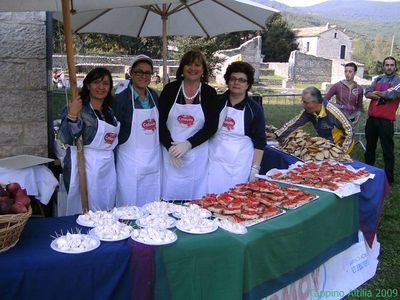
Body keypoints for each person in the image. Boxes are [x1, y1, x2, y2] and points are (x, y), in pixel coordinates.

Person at [159, 50, 219, 200]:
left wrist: (188, 144)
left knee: (194, 198)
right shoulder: (170, 90)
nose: (193, 68)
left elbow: (211, 126)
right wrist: (170, 147)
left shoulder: (209, 93)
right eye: (189, 64)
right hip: (171, 154)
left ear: (203, 69)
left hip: (196, 155)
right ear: (182, 68)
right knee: (169, 195)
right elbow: (159, 122)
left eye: (197, 65)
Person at [59, 67, 120, 214]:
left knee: (105, 205)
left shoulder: (110, 111)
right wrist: (72, 116)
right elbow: (65, 138)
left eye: (105, 83)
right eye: (96, 82)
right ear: (88, 85)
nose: (101, 87)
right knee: (84, 209)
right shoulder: (77, 108)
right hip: (85, 164)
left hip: (106, 167)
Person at [208, 61, 266, 194]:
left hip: (239, 163)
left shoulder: (254, 109)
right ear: (227, 81)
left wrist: (255, 168)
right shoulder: (216, 102)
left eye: (241, 80)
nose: (236, 83)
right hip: (214, 160)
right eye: (233, 79)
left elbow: (260, 141)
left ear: (248, 84)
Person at [113, 55, 161, 207]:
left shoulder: (154, 96)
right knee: (129, 205)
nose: (143, 76)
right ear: (131, 74)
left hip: (152, 161)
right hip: (129, 162)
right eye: (139, 72)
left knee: (151, 206)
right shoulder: (120, 99)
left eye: (147, 73)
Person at [268, 86, 354, 154]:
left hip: (340, 147)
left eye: (305, 102)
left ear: (316, 102)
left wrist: (340, 151)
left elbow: (350, 130)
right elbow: (294, 123)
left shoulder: (333, 111)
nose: (303, 105)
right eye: (302, 101)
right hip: (325, 147)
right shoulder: (309, 111)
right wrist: (276, 135)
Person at [364, 56, 400, 185]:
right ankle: (367, 176)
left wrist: (376, 92)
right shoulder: (378, 78)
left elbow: (391, 95)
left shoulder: (398, 80)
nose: (389, 67)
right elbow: (366, 92)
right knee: (370, 149)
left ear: (395, 67)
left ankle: (389, 180)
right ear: (383, 66)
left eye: (392, 65)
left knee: (387, 151)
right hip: (372, 120)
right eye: (387, 65)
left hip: (386, 122)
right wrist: (382, 94)